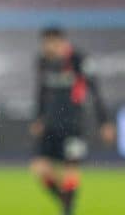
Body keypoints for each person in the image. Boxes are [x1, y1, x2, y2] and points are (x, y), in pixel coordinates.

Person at [30, 27, 116, 215]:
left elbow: (96, 92)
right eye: (45, 43)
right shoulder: (43, 62)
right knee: (40, 168)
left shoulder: (78, 60)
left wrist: (104, 122)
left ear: (61, 42)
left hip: (73, 125)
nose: (47, 47)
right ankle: (66, 201)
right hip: (51, 124)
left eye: (51, 43)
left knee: (71, 168)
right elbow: (41, 92)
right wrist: (38, 117)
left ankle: (67, 211)